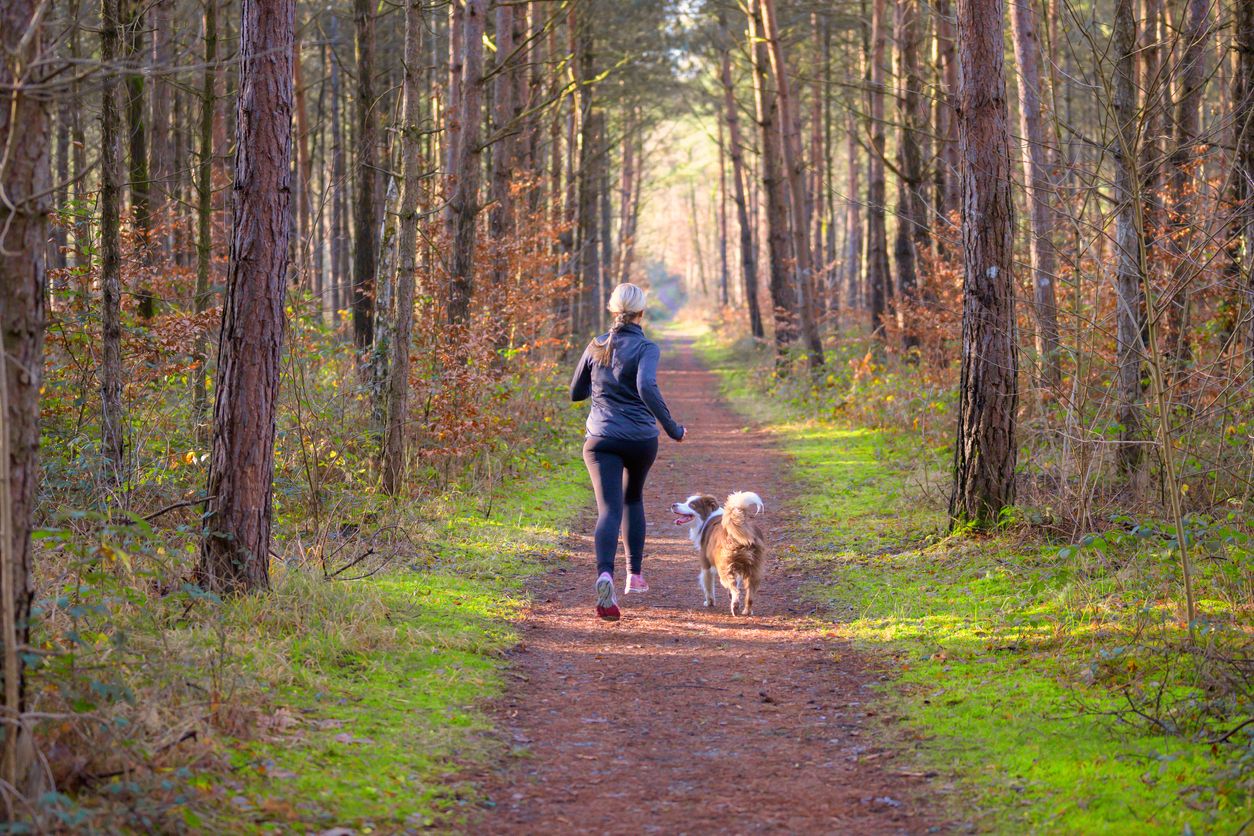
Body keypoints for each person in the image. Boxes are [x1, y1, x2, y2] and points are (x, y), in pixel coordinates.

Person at [569, 283, 686, 620]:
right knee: (633, 498)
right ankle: (634, 575)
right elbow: (646, 385)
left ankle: (605, 574)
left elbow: (576, 392)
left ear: (612, 310)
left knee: (609, 509)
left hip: (601, 438)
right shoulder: (647, 347)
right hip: (640, 439)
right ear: (641, 312)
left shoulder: (597, 345)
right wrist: (673, 428)